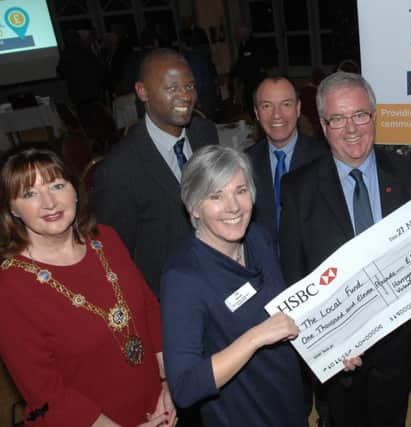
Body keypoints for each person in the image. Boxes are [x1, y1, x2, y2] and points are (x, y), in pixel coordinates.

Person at [278, 71, 411, 427]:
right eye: (338, 119)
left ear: (374, 116)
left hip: (399, 348)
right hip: (341, 357)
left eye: (360, 115)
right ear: (322, 124)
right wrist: (328, 344)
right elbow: (294, 277)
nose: (351, 129)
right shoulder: (297, 190)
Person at [0, 144, 176, 426]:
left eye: (57, 186)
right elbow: (46, 394)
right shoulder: (10, 287)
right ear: (12, 208)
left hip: (156, 408)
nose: (49, 203)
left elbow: (149, 310)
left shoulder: (105, 239)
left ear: (74, 189)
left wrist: (168, 385)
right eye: (30, 193)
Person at [161, 146, 330, 426]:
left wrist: (333, 349)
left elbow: (287, 317)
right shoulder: (183, 277)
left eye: (240, 191)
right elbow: (185, 387)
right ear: (193, 207)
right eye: (216, 196)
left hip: (288, 408)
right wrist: (254, 338)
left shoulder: (257, 239)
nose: (233, 207)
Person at [94, 48, 219, 296]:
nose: (185, 96)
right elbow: (116, 253)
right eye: (172, 88)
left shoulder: (205, 132)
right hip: (166, 294)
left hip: (217, 275)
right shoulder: (118, 169)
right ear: (143, 92)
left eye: (190, 86)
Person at [246, 76, 328, 242]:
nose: (277, 115)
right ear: (257, 113)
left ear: (298, 109)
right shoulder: (244, 163)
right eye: (267, 106)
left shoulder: (325, 159)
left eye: (286, 104)